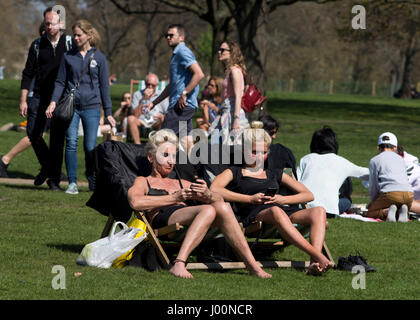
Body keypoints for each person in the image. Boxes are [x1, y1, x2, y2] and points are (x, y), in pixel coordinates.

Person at [127, 129, 271, 279]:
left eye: (174, 156)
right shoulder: (143, 181)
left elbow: (219, 200)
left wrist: (208, 194)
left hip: (187, 218)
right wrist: (173, 199)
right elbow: (135, 202)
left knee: (223, 206)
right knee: (208, 210)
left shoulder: (180, 182)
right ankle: (179, 263)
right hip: (162, 219)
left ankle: (252, 265)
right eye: (165, 155)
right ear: (151, 157)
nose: (171, 161)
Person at [210, 122, 334, 275]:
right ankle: (319, 256)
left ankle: (314, 262)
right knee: (276, 211)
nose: (260, 156)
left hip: (282, 209)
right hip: (254, 215)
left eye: (264, 152)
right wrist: (249, 199)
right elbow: (214, 189)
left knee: (319, 211)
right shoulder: (235, 172)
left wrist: (282, 199)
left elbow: (308, 195)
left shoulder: (274, 172)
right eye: (255, 152)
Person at [46, 20, 116, 195]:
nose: (75, 38)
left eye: (79, 35)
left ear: (88, 36)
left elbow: (104, 86)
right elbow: (61, 81)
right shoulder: (68, 56)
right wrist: (54, 102)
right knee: (71, 143)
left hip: (92, 107)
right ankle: (72, 183)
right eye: (74, 35)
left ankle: (92, 178)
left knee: (90, 146)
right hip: (72, 108)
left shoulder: (99, 58)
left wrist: (108, 112)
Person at [19, 7, 75, 190]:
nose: (49, 26)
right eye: (47, 23)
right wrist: (23, 99)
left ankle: (54, 180)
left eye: (52, 23)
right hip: (39, 96)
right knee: (32, 133)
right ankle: (48, 167)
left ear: (61, 24)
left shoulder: (69, 44)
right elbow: (27, 73)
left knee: (57, 140)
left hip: (61, 98)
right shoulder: (37, 45)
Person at [147, 24, 204, 153]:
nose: (168, 37)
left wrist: (184, 93)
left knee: (161, 140)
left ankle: (157, 171)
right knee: (186, 142)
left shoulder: (182, 52)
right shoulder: (176, 54)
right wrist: (154, 102)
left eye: (171, 35)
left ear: (181, 37)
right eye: (167, 35)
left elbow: (199, 74)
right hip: (184, 106)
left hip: (181, 106)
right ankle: (196, 170)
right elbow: (171, 86)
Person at [296, 126, 369, 218]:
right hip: (329, 210)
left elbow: (295, 181)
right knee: (346, 201)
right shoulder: (342, 162)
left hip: (303, 207)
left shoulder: (307, 159)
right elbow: (366, 173)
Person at [208, 41, 249, 145]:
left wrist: (235, 119)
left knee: (230, 150)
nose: (219, 52)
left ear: (232, 52)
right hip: (225, 112)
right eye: (219, 49)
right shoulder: (229, 71)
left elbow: (238, 96)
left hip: (232, 115)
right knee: (217, 147)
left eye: (222, 50)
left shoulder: (235, 71)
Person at [366, 132, 413, 222]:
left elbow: (373, 185)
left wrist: (374, 202)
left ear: (378, 148)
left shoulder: (374, 160)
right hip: (409, 194)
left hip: (391, 194)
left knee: (370, 213)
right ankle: (402, 213)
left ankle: (386, 212)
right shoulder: (401, 159)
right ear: (395, 148)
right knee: (400, 203)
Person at [127, 73, 168, 144]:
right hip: (141, 120)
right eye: (148, 84)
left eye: (153, 85)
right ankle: (138, 145)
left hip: (156, 122)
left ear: (157, 85)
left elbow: (168, 112)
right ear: (145, 83)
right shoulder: (137, 94)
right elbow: (135, 115)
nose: (150, 87)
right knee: (130, 118)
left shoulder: (162, 96)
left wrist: (162, 116)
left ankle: (157, 145)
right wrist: (144, 98)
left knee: (164, 119)